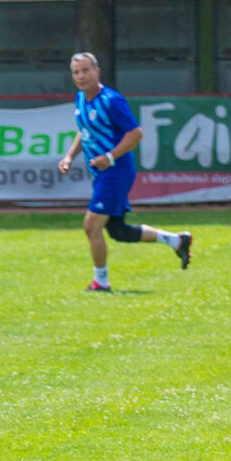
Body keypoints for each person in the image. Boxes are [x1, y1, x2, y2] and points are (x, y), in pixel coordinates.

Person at [58, 52, 192, 291]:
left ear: (97, 71)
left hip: (116, 170)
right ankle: (176, 241)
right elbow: (85, 131)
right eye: (76, 72)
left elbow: (136, 133)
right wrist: (69, 156)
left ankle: (101, 282)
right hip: (102, 172)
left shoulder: (111, 100)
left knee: (91, 225)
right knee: (118, 231)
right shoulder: (80, 98)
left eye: (86, 70)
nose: (81, 76)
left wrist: (109, 157)